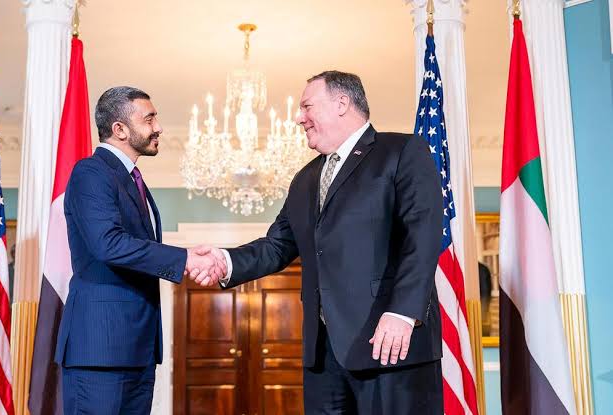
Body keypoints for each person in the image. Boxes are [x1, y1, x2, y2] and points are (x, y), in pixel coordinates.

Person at [192, 71, 444, 414]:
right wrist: (224, 261)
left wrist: (403, 312)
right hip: (323, 356)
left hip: (390, 341)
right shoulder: (305, 179)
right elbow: (277, 245)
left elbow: (423, 234)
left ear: (342, 103)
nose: (299, 118)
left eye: (307, 106)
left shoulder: (400, 151)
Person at [54, 86, 223, 415]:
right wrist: (185, 259)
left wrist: (185, 258)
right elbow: (108, 244)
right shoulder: (91, 172)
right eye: (149, 119)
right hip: (101, 351)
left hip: (136, 350)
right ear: (119, 129)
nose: (158, 127)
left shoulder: (131, 178)